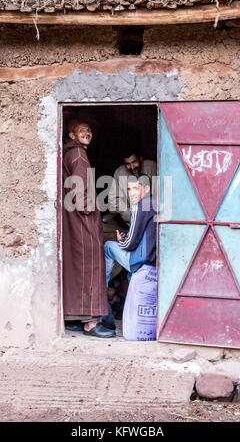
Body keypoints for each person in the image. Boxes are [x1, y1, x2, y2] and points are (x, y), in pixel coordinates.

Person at [62, 119, 115, 338]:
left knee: (77, 268)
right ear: (72, 135)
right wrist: (90, 210)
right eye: (83, 130)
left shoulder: (69, 153)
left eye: (89, 131)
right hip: (83, 221)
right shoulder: (79, 156)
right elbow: (79, 189)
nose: (88, 133)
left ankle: (73, 319)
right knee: (91, 266)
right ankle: (91, 323)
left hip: (72, 219)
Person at [104, 174, 157, 308]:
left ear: (146, 189)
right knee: (129, 275)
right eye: (129, 189)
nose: (132, 193)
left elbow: (130, 244)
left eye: (136, 189)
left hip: (141, 261)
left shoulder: (139, 206)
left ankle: (101, 297)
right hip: (153, 260)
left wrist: (121, 241)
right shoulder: (154, 203)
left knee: (108, 246)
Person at [108, 148, 157, 224]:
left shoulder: (152, 167)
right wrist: (130, 216)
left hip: (152, 220)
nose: (132, 167)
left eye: (134, 162)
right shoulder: (120, 172)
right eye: (127, 164)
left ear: (140, 159)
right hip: (131, 222)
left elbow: (161, 193)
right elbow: (114, 198)